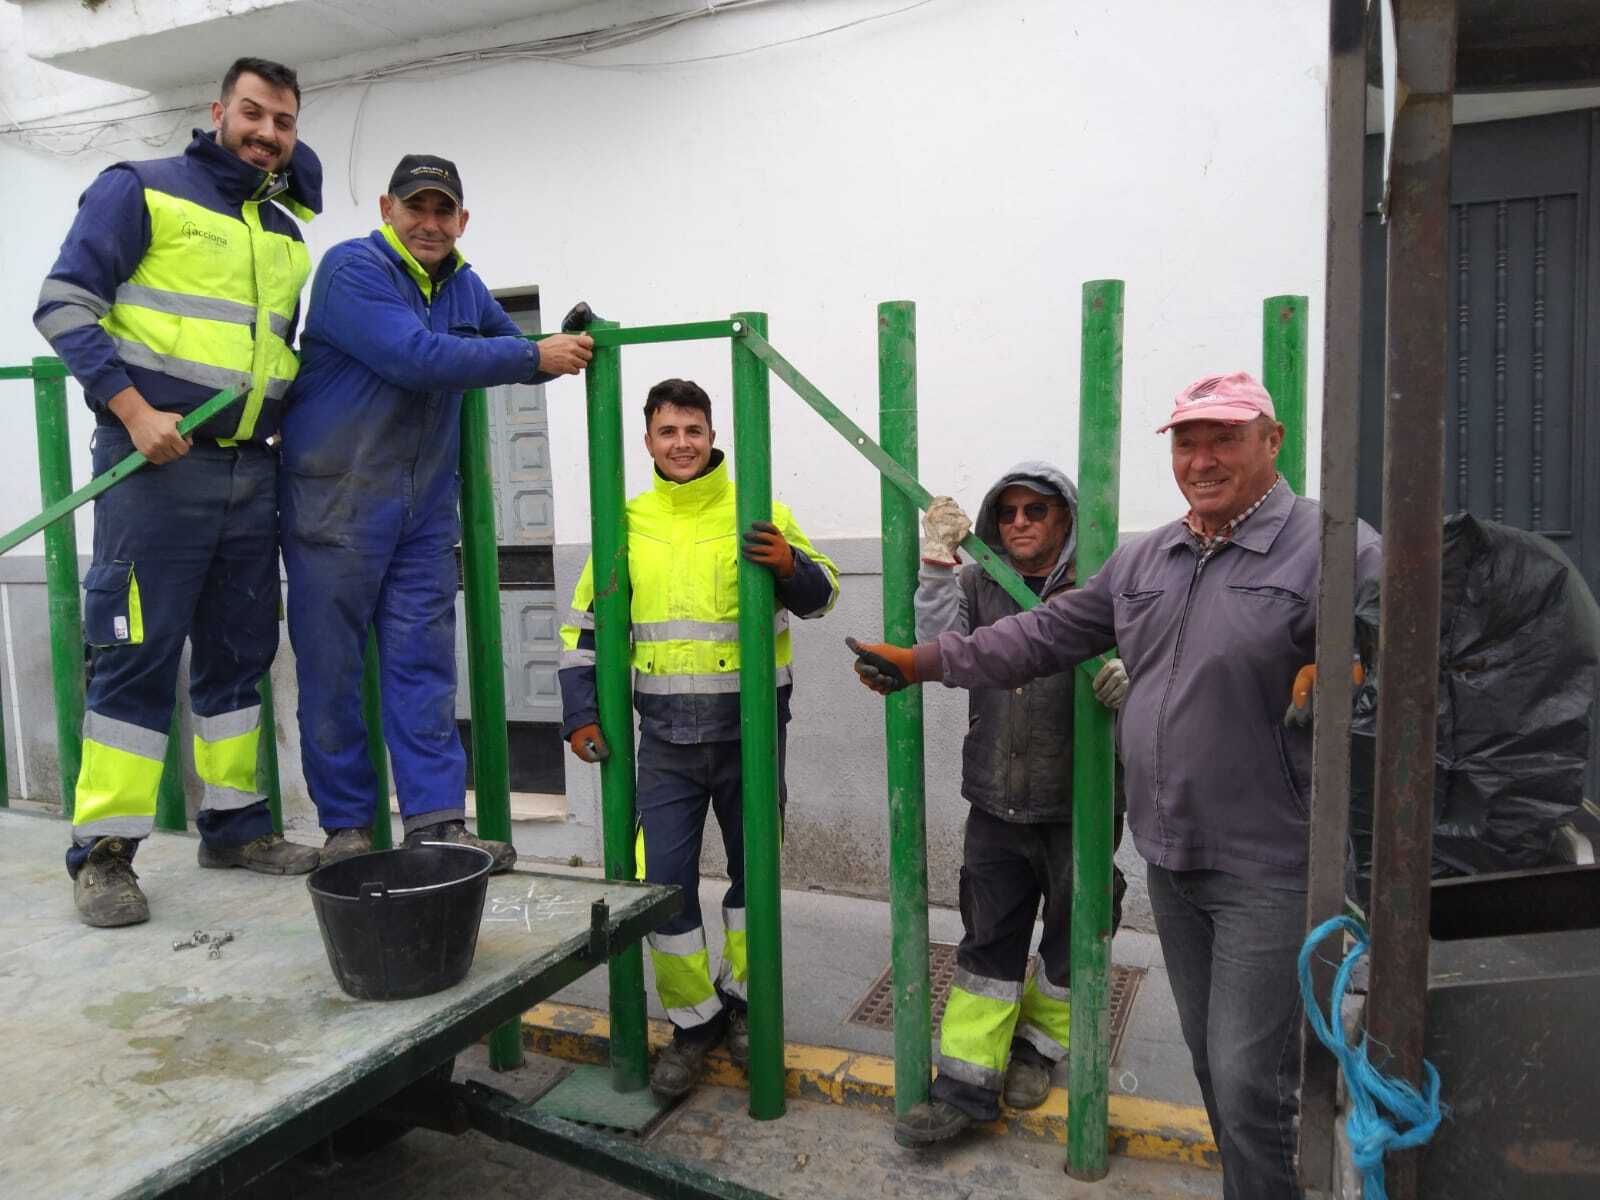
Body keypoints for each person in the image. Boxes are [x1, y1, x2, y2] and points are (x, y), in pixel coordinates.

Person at [849, 372, 1381, 1199]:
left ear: (1271, 442)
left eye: (1225, 438)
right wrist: (923, 662)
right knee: (1218, 1067)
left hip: (1273, 864)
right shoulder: (1152, 556)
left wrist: (1348, 669)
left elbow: (1400, 658)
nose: (1202, 459)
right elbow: (1040, 634)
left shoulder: (1331, 546)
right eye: (1186, 441)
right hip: (1172, 854)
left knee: (1252, 1077)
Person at [33, 57, 324, 928]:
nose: (266, 132)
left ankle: (235, 826)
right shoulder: (141, 189)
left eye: (282, 121)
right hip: (154, 469)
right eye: (252, 113)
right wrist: (134, 409)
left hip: (250, 471)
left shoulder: (283, 231)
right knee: (135, 658)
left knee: (239, 657)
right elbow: (62, 307)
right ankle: (105, 854)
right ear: (217, 111)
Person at [279, 155, 594, 870]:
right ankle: (348, 828)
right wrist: (534, 358)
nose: (429, 223)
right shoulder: (351, 270)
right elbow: (416, 356)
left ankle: (436, 825)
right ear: (387, 209)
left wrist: (562, 338)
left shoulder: (462, 283)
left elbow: (494, 339)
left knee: (424, 669)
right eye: (415, 208)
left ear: (462, 221)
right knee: (333, 674)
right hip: (335, 502)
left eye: (442, 211)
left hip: (420, 514)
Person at [558, 378, 839, 1101]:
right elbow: (585, 630)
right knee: (662, 887)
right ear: (647, 441)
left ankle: (745, 1005)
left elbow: (822, 596)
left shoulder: (761, 511)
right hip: (665, 744)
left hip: (750, 732)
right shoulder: (625, 523)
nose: (681, 443)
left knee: (755, 881)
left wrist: (789, 566)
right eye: (667, 431)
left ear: (714, 434)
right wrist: (580, 712)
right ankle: (693, 1022)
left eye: (694, 429)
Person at [893, 463, 1129, 1146]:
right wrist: (938, 562)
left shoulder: (1104, 584)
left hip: (1080, 800)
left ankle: (1037, 1051)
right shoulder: (979, 580)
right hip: (996, 798)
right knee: (987, 942)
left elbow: (1161, 651)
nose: (1021, 523)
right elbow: (935, 644)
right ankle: (965, 1087)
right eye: (1009, 513)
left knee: (1072, 936)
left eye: (1038, 511)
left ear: (1067, 519)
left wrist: (1132, 679)